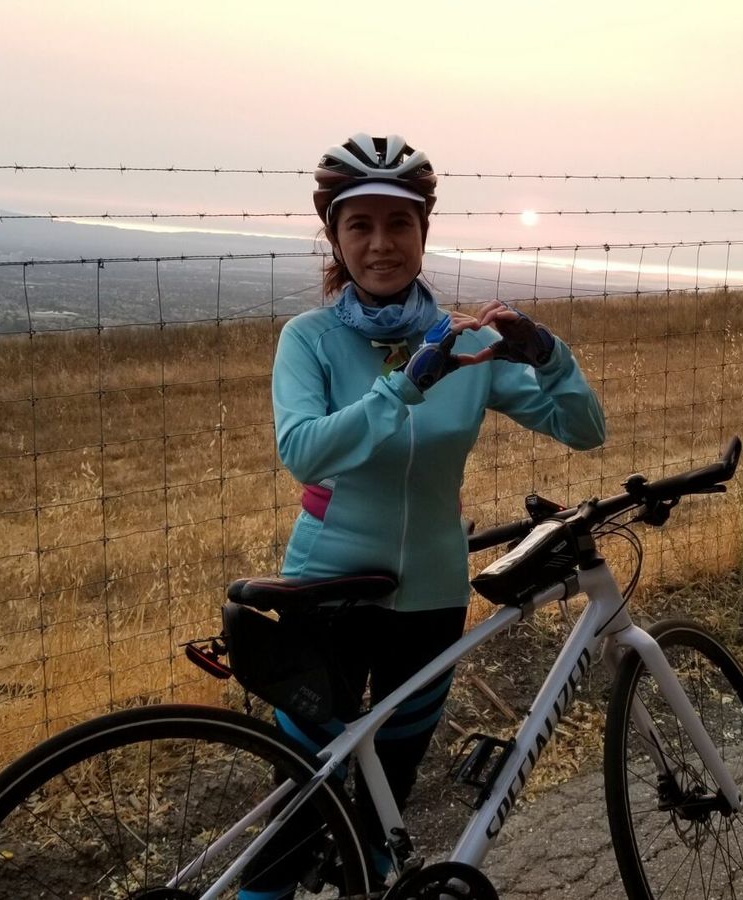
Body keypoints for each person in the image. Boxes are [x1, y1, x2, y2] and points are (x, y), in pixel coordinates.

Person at [239, 134, 606, 899]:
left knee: (388, 801)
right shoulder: (308, 340)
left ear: (423, 231)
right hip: (328, 588)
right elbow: (303, 451)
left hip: (432, 594)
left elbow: (583, 431)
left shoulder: (467, 345)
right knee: (298, 806)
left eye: (399, 224)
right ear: (335, 236)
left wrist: (547, 354)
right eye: (360, 225)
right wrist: (404, 384)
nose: (381, 243)